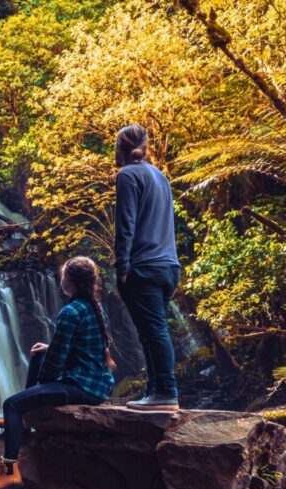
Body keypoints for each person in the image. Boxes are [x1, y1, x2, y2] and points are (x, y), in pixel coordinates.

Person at [0, 257, 115, 489]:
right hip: (98, 382)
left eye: (63, 276)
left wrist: (38, 390)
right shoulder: (94, 306)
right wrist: (47, 350)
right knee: (38, 354)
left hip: (82, 386)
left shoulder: (70, 312)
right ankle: (23, 421)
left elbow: (55, 365)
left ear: (69, 282)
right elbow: (75, 348)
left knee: (11, 405)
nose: (60, 279)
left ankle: (10, 471)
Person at [113, 124, 182, 411]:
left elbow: (125, 224)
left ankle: (165, 392)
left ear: (120, 149)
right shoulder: (160, 176)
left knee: (153, 330)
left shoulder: (127, 175)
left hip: (144, 266)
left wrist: (122, 265)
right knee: (150, 331)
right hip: (168, 265)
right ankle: (155, 391)